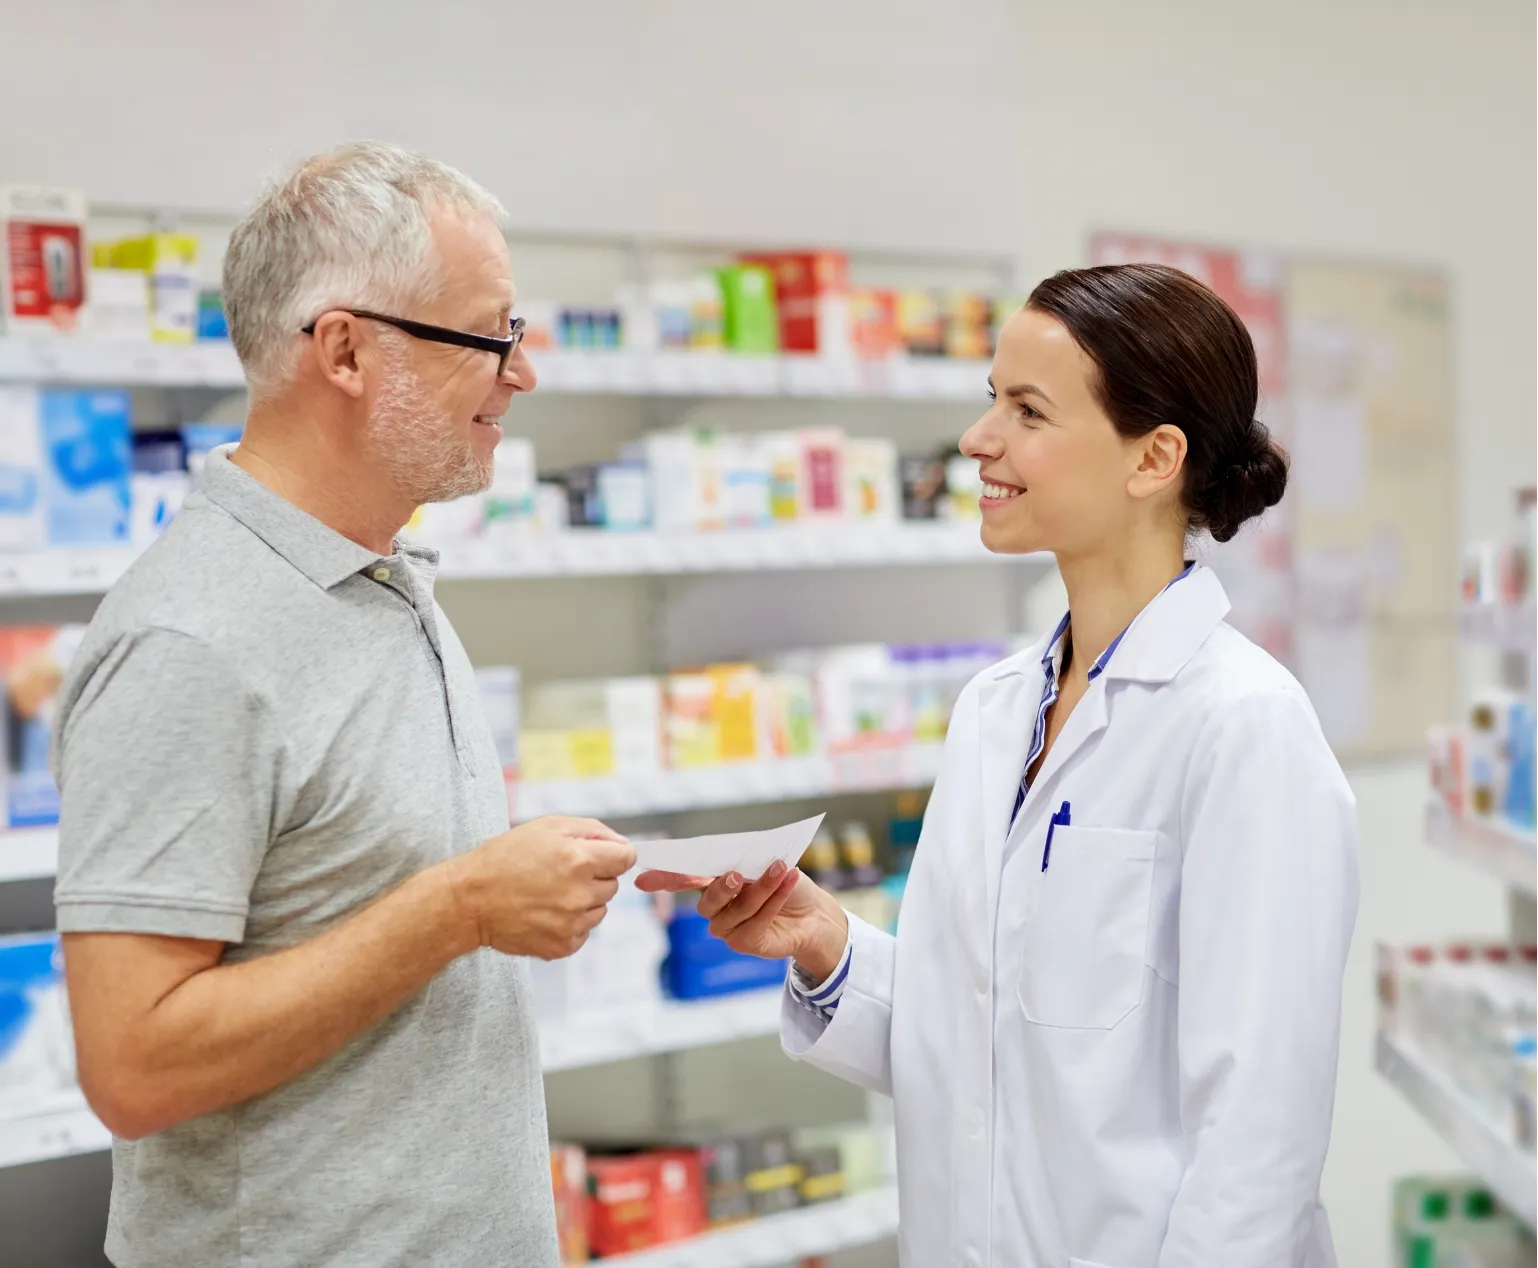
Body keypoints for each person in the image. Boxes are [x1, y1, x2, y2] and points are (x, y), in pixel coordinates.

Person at [640, 264, 1360, 1267]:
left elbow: (1259, 1136)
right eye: (990, 401)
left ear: (1151, 457)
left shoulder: (1240, 726)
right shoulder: (994, 712)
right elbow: (980, 1039)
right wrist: (829, 944)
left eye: (1026, 410)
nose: (978, 440)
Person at [54, 142, 635, 1268]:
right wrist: (458, 908)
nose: (523, 373)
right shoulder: (191, 639)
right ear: (346, 350)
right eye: (491, 334)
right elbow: (134, 1064)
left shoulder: (383, 579)